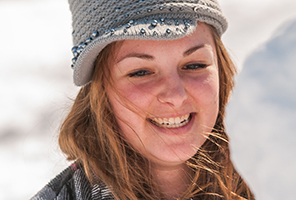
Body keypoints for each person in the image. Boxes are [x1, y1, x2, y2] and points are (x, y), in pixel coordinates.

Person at [32, 0, 254, 199]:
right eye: (140, 72)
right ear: (100, 91)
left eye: (194, 65)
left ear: (221, 72)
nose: (175, 96)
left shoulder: (277, 177)